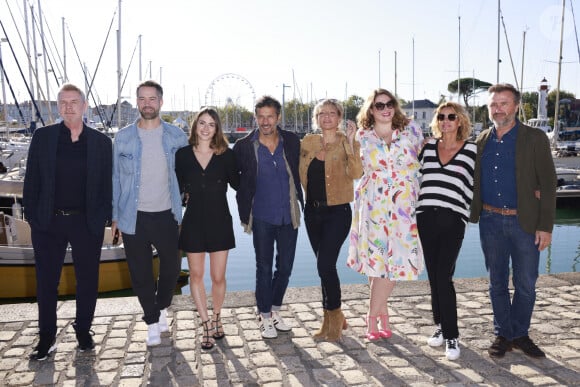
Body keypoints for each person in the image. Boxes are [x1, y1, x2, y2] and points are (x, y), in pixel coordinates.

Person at [23, 83, 112, 360]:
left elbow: (107, 183)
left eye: (74, 102)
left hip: (87, 223)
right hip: (48, 223)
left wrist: (103, 218)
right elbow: (32, 180)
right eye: (63, 102)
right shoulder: (43, 137)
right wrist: (35, 218)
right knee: (46, 282)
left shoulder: (101, 142)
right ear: (58, 106)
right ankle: (47, 337)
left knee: (87, 280)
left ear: (85, 106)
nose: (69, 107)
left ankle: (83, 330)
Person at [470, 83, 557, 359]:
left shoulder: (534, 138)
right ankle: (503, 333)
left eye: (503, 103)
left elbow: (548, 183)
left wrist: (545, 226)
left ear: (516, 106)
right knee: (496, 282)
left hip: (525, 222)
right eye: (493, 104)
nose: (498, 109)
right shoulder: (482, 139)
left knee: (526, 283)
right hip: (490, 220)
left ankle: (519, 333)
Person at [112, 80, 188, 346]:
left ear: (161, 102)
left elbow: (188, 171)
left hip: (167, 214)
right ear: (137, 102)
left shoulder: (176, 136)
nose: (147, 103)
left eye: (152, 98)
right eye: (142, 98)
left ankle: (161, 306)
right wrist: (115, 217)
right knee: (140, 273)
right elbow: (115, 179)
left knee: (171, 267)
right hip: (133, 216)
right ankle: (152, 321)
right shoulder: (123, 137)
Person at [346, 88, 424, 340]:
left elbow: (425, 158)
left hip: (403, 204)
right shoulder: (362, 136)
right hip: (373, 204)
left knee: (398, 261)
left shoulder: (412, 130)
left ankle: (372, 316)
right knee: (377, 260)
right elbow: (355, 168)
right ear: (371, 110)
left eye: (389, 104)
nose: (385, 109)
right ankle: (381, 315)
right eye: (379, 105)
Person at [233, 95, 303, 339]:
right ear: (256, 117)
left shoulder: (292, 141)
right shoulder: (243, 145)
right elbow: (235, 177)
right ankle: (263, 316)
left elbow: (300, 170)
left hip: (288, 216)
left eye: (270, 116)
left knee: (284, 268)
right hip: (262, 216)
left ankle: (275, 310)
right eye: (260, 116)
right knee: (263, 268)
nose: (265, 121)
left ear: (278, 117)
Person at [175, 107, 239, 350]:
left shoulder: (226, 155)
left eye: (211, 124)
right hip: (192, 223)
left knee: (218, 276)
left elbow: (240, 183)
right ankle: (206, 325)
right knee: (197, 275)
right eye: (202, 123)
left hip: (220, 221)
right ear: (195, 126)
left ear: (217, 129)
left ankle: (217, 317)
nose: (205, 128)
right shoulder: (182, 155)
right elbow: (176, 188)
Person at [299, 99, 363, 341]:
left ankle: (334, 318)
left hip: (337, 213)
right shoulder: (307, 142)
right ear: (316, 118)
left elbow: (357, 173)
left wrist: (351, 142)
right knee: (322, 268)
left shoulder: (348, 142)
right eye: (321, 113)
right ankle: (330, 317)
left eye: (331, 113)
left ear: (339, 117)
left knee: (325, 265)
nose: (326, 117)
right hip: (312, 213)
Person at [416, 102, 476, 360]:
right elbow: (407, 174)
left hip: (453, 220)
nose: (446, 121)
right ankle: (440, 326)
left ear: (460, 120)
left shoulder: (472, 150)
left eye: (451, 117)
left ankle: (452, 336)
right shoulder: (428, 148)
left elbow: (481, 184)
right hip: (426, 217)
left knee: (444, 277)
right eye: (441, 117)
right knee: (434, 277)